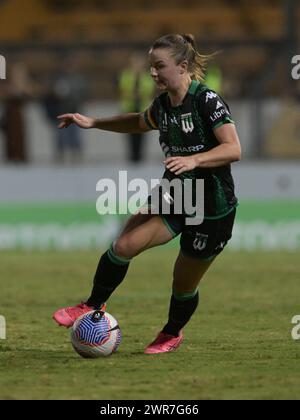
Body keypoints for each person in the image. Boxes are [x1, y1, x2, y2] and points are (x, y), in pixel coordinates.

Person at [53, 34, 241, 354]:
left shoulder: (206, 101)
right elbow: (139, 122)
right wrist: (93, 122)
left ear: (182, 67)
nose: (152, 74)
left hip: (213, 207)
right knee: (124, 244)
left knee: (183, 284)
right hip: (179, 193)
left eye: (159, 67)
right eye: (150, 67)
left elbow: (233, 148)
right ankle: (91, 304)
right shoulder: (163, 104)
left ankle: (171, 332)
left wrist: (194, 159)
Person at [118, 52, 155, 162]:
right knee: (130, 133)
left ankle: (140, 156)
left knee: (142, 133)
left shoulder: (147, 76)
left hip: (142, 108)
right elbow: (122, 89)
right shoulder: (126, 75)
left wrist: (139, 93)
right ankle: (132, 156)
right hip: (129, 108)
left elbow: (149, 90)